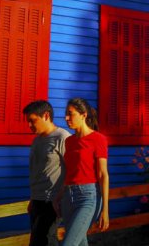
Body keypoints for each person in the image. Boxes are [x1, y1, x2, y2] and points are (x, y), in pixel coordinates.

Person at [61, 98, 110, 246]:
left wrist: (105, 210)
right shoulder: (69, 141)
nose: (66, 118)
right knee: (80, 242)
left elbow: (103, 174)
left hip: (88, 197)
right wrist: (58, 197)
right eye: (66, 114)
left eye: (70, 114)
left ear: (83, 115)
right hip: (68, 198)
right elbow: (68, 172)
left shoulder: (98, 139)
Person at [23, 100, 71, 246]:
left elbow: (73, 170)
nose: (29, 125)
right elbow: (37, 171)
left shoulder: (63, 137)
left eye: (32, 121)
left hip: (52, 201)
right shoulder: (36, 141)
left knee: (44, 240)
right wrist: (33, 199)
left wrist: (60, 198)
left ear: (46, 115)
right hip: (37, 200)